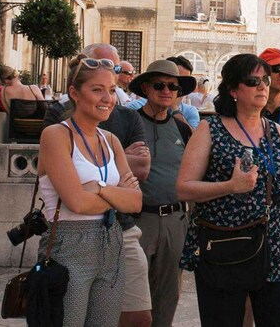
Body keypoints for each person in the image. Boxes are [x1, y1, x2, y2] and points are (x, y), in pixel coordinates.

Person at [177, 53, 280, 326]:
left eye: (265, 79)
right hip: (226, 246)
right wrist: (230, 186)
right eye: (253, 81)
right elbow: (183, 189)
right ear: (233, 89)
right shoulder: (210, 128)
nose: (263, 86)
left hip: (274, 246)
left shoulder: (276, 131)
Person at [43, 43, 152, 327]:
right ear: (74, 93)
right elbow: (76, 203)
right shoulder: (56, 135)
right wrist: (119, 194)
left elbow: (136, 202)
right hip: (69, 241)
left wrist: (100, 188)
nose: (108, 98)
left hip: (111, 238)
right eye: (97, 90)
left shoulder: (111, 140)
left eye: (112, 89)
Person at [128, 60, 196, 326]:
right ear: (146, 88)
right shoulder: (128, 124)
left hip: (175, 220)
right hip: (137, 220)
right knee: (132, 300)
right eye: (159, 85)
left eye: (172, 86)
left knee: (167, 298)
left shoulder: (182, 129)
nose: (166, 91)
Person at [166, 56, 201, 130]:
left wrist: (175, 109)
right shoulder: (139, 106)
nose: (178, 86)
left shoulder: (190, 111)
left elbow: (192, 139)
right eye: (173, 81)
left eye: (184, 82)